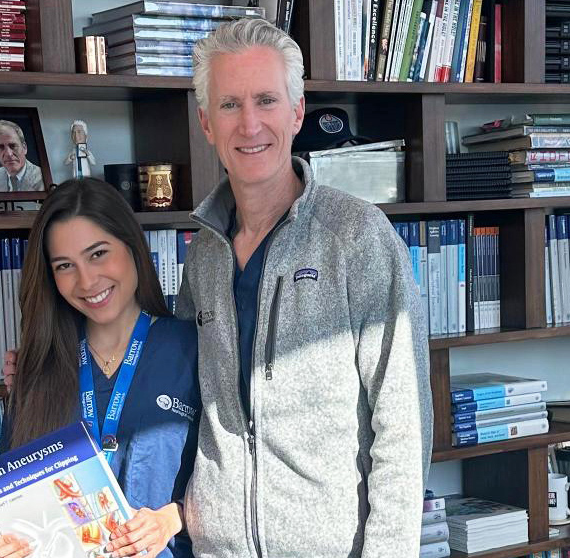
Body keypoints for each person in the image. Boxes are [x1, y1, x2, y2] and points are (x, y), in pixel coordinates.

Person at [174, 18, 433, 557]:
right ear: (205, 122)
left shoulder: (356, 236)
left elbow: (404, 425)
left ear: (296, 113)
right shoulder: (202, 252)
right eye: (229, 105)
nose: (249, 125)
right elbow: (174, 386)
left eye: (266, 100)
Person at [0, 178, 199, 558]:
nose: (87, 281)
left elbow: (237, 481)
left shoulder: (193, 348)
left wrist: (173, 517)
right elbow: (22, 503)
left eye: (98, 254)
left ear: (132, 246)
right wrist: (11, 542)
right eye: (65, 265)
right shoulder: (38, 368)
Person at [0, 119, 44, 192]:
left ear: (24, 148)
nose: (9, 154)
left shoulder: (42, 178)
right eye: (1, 147)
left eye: (13, 146)